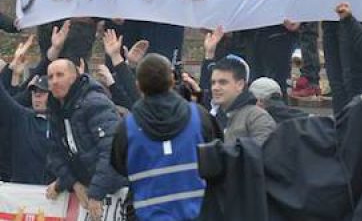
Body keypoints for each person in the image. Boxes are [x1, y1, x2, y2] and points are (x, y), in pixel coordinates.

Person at [110, 54, 220, 220]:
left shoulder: (126, 128)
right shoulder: (200, 117)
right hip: (197, 214)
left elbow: (119, 166)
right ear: (172, 80)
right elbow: (218, 159)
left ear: (138, 85)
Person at [45, 59, 126, 220]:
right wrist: (71, 183)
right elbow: (54, 154)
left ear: (74, 77)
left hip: (117, 194)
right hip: (87, 190)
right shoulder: (55, 110)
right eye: (50, 77)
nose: (54, 81)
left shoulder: (94, 102)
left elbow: (112, 151)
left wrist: (96, 193)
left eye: (60, 75)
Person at [0, 36, 50, 184]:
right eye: (34, 92)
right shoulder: (22, 117)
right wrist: (12, 68)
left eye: (42, 92)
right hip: (21, 198)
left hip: (53, 197)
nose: (37, 96)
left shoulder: (63, 122)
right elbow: (7, 100)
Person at [210, 56, 276, 144]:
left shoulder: (257, 117)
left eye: (223, 82)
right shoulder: (211, 117)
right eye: (213, 83)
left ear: (240, 85)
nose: (215, 88)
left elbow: (264, 153)